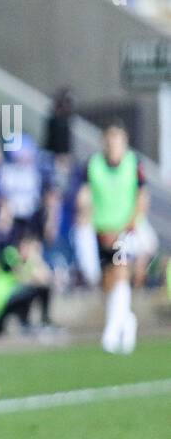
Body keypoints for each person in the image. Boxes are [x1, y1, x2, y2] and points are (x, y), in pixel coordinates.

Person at [78, 122, 149, 354]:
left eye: (117, 140)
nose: (113, 145)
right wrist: (85, 218)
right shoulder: (94, 165)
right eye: (110, 140)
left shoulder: (133, 163)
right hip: (101, 231)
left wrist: (128, 225)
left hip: (125, 229)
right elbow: (86, 195)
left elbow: (141, 196)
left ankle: (111, 332)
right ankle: (126, 320)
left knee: (120, 272)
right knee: (107, 282)